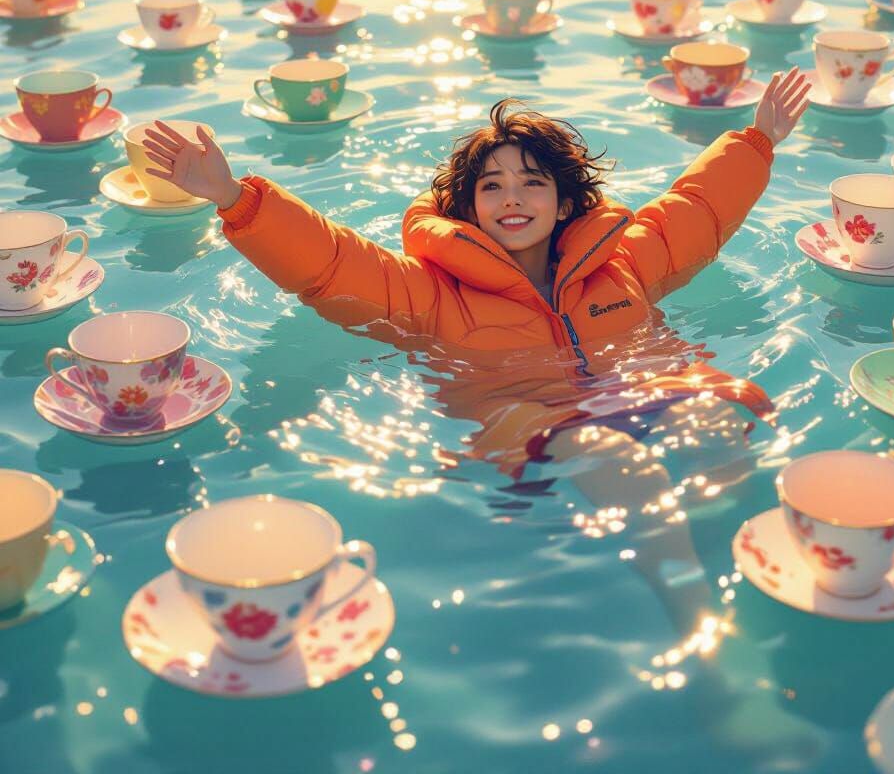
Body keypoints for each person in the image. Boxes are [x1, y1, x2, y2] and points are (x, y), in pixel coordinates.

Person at [143, 67, 808, 634]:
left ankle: (731, 564)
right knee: (618, 459)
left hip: (642, 386)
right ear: (468, 209)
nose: (512, 197)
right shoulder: (432, 293)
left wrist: (759, 140)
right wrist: (233, 198)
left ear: (565, 202)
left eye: (532, 182)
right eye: (491, 186)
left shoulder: (622, 262)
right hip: (525, 416)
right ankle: (700, 625)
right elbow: (331, 262)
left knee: (715, 424)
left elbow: (696, 208)